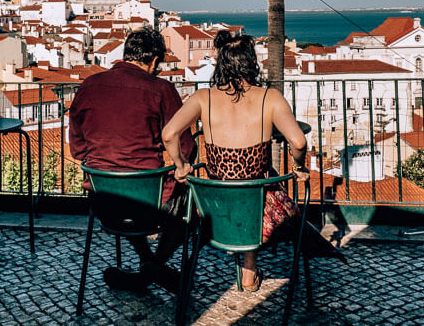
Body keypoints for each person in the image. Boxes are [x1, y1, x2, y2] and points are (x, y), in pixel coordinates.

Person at [162, 30, 311, 292]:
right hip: (260, 210)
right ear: (252, 62)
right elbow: (298, 142)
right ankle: (249, 271)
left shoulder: (202, 98)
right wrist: (298, 168)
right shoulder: (270, 98)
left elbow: (169, 133)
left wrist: (181, 165)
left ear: (221, 64)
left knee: (243, 190)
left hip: (215, 207)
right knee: (261, 186)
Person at [69, 26, 196, 294]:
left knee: (131, 193)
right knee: (193, 208)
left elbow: (78, 151)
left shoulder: (88, 85)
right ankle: (155, 266)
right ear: (153, 61)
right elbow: (186, 147)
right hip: (149, 204)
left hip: (104, 202)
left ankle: (147, 267)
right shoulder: (161, 89)